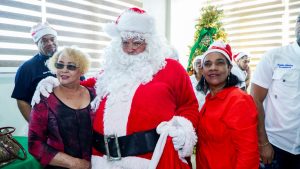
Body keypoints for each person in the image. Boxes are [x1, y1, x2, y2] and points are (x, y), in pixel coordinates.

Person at [31, 7, 199, 169]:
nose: (130, 48)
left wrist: (183, 128)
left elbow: (189, 105)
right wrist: (53, 83)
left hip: (150, 158)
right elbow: (81, 86)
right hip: (102, 159)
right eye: (125, 42)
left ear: (149, 42)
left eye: (137, 42)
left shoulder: (171, 68)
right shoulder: (109, 71)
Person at [28, 46, 95, 169]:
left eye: (71, 66)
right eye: (60, 65)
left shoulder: (95, 95)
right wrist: (76, 163)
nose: (64, 70)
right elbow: (34, 144)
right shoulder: (44, 99)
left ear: (82, 70)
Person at [196, 41, 259, 169]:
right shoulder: (209, 98)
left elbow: (248, 153)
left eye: (219, 63)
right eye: (208, 64)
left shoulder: (239, 100)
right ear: (202, 70)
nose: (213, 67)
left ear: (229, 68)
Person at [250, 14, 300, 169]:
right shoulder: (274, 56)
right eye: (299, 20)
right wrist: (263, 143)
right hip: (275, 147)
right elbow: (255, 100)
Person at [11, 22, 58, 122]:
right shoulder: (27, 68)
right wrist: (35, 125)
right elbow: (21, 100)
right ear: (37, 43)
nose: (50, 43)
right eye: (44, 41)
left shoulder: (69, 61)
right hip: (44, 121)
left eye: (52, 39)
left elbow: (82, 87)